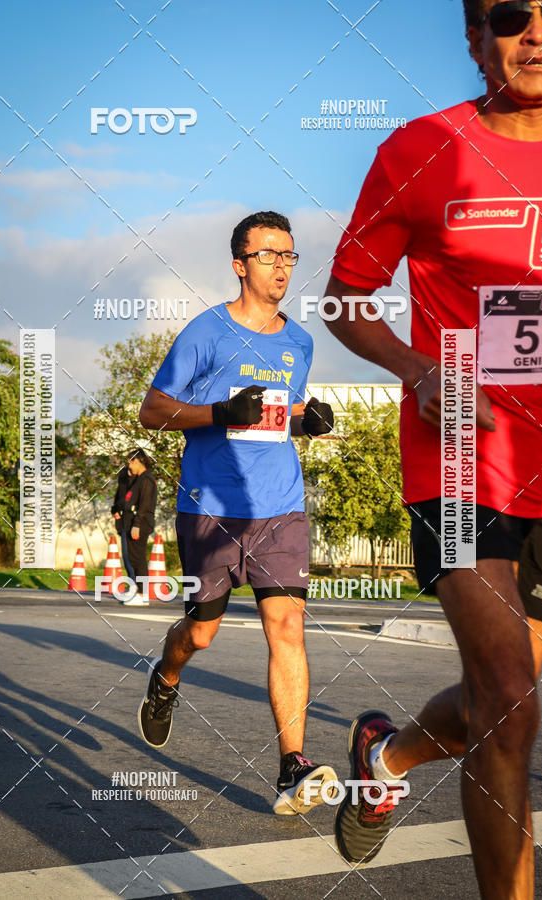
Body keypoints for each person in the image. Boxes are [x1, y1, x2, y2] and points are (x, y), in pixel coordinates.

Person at [325, 1, 542, 894]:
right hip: (462, 457)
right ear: (475, 39)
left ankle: (386, 754)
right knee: (509, 699)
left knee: (501, 704)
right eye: (512, 13)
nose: (537, 31)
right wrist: (419, 369)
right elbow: (345, 297)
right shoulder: (424, 149)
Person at [138, 210, 337, 815]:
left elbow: (278, 418)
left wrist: (308, 421)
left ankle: (292, 768)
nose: (281, 266)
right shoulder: (207, 332)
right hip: (212, 508)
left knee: (288, 628)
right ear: (240, 265)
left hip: (280, 507)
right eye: (268, 254)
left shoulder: (299, 343)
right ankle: (166, 677)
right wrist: (220, 413)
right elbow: (153, 411)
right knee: (202, 632)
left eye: (289, 255)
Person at [120, 448, 157, 606]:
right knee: (133, 558)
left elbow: (144, 505)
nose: (129, 466)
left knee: (138, 558)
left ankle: (143, 594)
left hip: (140, 524)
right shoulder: (139, 479)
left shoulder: (147, 480)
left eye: (131, 463)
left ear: (138, 461)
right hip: (132, 522)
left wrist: (137, 525)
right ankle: (137, 589)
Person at [111, 464, 136, 580]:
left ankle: (136, 583)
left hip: (134, 522)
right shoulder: (124, 477)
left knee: (132, 556)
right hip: (124, 523)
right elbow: (119, 499)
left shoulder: (140, 481)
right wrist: (115, 510)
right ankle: (133, 581)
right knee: (127, 556)